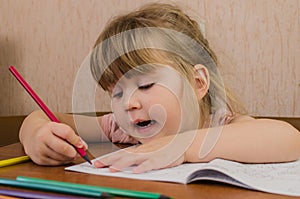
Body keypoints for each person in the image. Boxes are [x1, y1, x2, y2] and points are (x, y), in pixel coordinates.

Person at [19, 3, 300, 173]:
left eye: (145, 84)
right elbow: (45, 118)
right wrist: (35, 135)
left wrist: (182, 146)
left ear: (198, 83)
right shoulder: (120, 127)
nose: (128, 103)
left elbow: (289, 139)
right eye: (116, 92)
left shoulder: (220, 124)